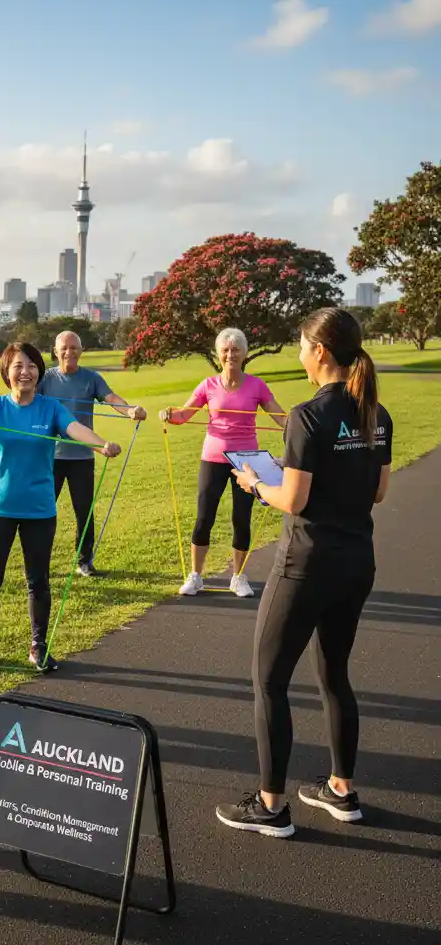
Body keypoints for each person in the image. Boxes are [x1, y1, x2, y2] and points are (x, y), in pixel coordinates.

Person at [215, 308, 392, 838]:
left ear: (319, 351)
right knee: (334, 675)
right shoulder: (377, 413)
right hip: (357, 561)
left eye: (300, 345)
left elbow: (293, 499)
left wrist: (254, 483)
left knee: (269, 680)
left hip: (307, 564)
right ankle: (341, 790)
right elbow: (379, 491)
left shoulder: (306, 415)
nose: (298, 355)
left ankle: (271, 806)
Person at [0, 342, 121, 672]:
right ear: (6, 372)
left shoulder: (50, 408)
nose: (26, 371)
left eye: (32, 365)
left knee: (38, 581)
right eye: (18, 366)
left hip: (39, 509)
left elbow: (75, 429)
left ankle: (38, 646)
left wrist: (101, 444)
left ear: (39, 372)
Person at [159, 328, 287, 598]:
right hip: (213, 459)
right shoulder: (208, 385)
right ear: (219, 354)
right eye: (225, 350)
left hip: (245, 462)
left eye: (236, 349)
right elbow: (184, 414)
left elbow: (279, 416)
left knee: (241, 518)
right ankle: (196, 576)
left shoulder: (257, 386)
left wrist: (299, 429)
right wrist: (169, 414)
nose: (230, 355)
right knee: (204, 517)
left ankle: (238, 577)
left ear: (244, 353)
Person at [40, 330, 147, 577]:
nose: (69, 352)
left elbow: (111, 398)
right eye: (64, 348)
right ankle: (39, 562)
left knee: (84, 513)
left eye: (74, 347)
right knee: (43, 511)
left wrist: (130, 410)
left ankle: (84, 561)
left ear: (81, 350)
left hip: (82, 458)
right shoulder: (45, 379)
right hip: (50, 458)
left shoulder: (91, 378)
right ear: (55, 351)